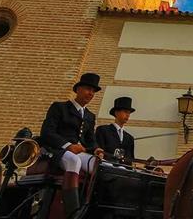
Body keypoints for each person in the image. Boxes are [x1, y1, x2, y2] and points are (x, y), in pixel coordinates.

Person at [40, 73, 104, 218]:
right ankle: (73, 213)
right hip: (58, 151)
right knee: (74, 161)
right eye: (88, 89)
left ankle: (91, 208)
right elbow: (47, 132)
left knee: (100, 165)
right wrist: (68, 145)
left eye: (93, 91)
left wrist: (97, 149)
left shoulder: (90, 116)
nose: (91, 93)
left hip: (79, 152)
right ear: (78, 89)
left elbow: (90, 140)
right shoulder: (59, 107)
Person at [95, 97, 136, 163]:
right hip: (106, 167)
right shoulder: (103, 130)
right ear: (116, 112)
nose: (128, 115)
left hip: (123, 171)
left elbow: (130, 160)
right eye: (125, 112)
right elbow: (99, 151)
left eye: (129, 113)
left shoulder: (129, 138)